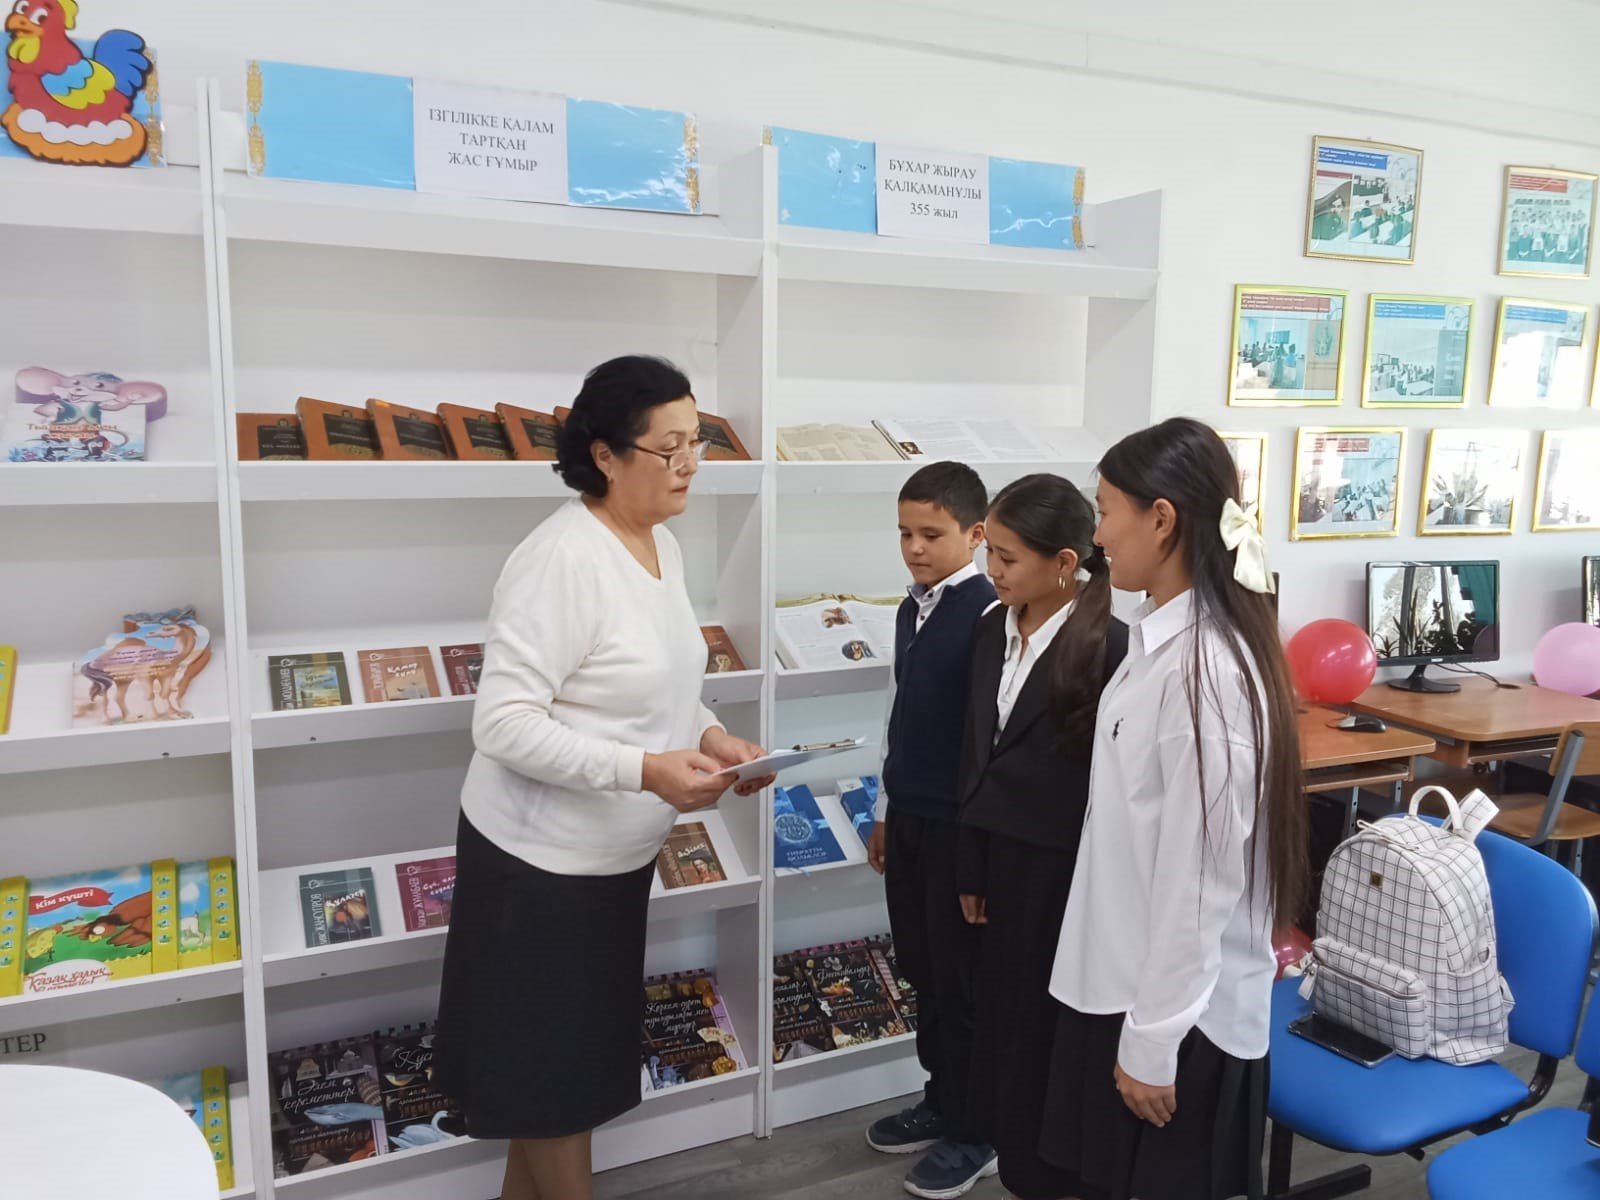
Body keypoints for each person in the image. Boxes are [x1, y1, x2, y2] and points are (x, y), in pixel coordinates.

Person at [434, 355, 775, 1200]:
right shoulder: (560, 559)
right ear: (605, 455)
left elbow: (662, 681)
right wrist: (645, 771)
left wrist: (712, 735)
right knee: (553, 1091)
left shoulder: (661, 542)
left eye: (697, 443)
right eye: (668, 448)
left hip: (612, 862)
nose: (689, 464)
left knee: (559, 1082)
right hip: (536, 868)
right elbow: (502, 724)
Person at [1041, 417, 1308, 1200]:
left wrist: (1153, 1042)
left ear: (1161, 519)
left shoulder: (1206, 673)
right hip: (1124, 982)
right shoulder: (1158, 643)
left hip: (1177, 1019)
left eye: (1105, 512)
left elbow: (1202, 883)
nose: (1097, 536)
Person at [955, 474, 1126, 1200]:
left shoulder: (1110, 646)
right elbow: (975, 751)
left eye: (1008, 557)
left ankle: (1045, 1167)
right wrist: (971, 863)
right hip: (994, 855)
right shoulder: (992, 627)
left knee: (1043, 1027)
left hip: (1060, 871)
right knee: (997, 1018)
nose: (992, 569)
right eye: (989, 552)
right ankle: (1007, 1149)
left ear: (1064, 563)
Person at [862, 461, 999, 1199]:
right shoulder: (909, 608)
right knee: (922, 969)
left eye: (931, 534)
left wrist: (977, 851)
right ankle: (942, 1098)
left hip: (957, 827)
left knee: (964, 981)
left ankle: (979, 1130)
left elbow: (986, 743)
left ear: (976, 535)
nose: (914, 548)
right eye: (904, 533)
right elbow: (900, 716)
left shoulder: (989, 614)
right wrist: (886, 810)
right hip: (911, 817)